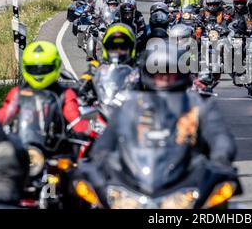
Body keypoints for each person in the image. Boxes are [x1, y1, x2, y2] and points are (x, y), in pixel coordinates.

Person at [88, 45, 237, 175]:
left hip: (188, 175)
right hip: (138, 175)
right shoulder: (130, 106)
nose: (164, 76)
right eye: (158, 71)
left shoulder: (198, 105)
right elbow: (106, 142)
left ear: (180, 74)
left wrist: (220, 157)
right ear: (148, 74)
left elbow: (219, 135)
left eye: (170, 71)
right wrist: (100, 160)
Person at [0, 41, 95, 155]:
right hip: (23, 150)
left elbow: (77, 122)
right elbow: (2, 116)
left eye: (44, 68)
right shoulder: (17, 93)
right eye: (34, 68)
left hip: (55, 151)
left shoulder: (64, 94)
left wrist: (91, 133)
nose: (39, 73)